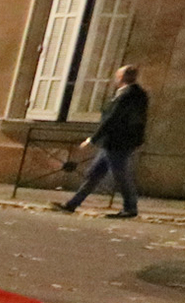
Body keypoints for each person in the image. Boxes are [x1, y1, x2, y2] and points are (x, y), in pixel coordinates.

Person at [53, 64, 149, 218]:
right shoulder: (135, 93)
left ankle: (130, 208)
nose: (117, 78)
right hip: (114, 142)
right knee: (94, 173)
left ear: (122, 77)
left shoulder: (128, 95)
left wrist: (93, 139)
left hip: (118, 142)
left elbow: (112, 119)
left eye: (118, 75)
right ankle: (72, 204)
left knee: (120, 175)